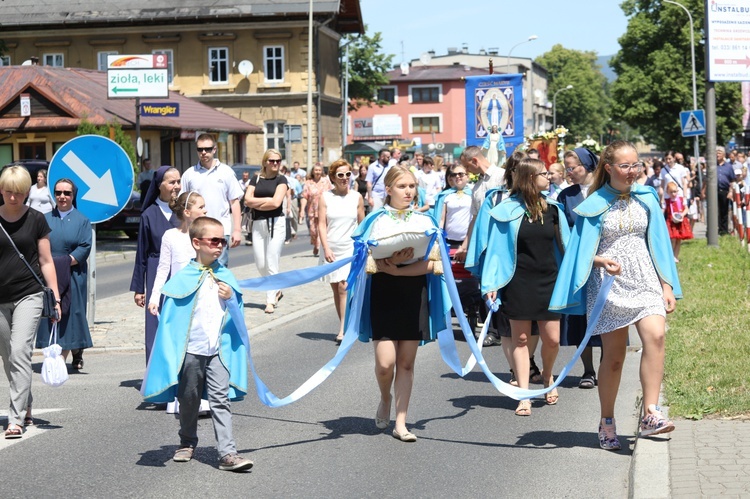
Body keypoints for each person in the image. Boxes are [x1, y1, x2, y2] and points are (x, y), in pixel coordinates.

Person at [550, 140, 682, 450]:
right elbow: (578, 250)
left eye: (636, 165)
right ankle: (607, 419)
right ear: (609, 168)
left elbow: (659, 244)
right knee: (614, 358)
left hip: (646, 278)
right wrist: (599, 260)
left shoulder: (647, 197)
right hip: (608, 284)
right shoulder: (593, 205)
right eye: (626, 166)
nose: (633, 171)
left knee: (656, 336)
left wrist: (667, 285)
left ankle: (651, 414)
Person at [141, 216, 253, 471]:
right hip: (190, 351)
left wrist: (231, 298)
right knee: (188, 398)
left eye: (222, 241)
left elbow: (238, 315)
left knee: (220, 400)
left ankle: (227, 453)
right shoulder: (183, 279)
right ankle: (187, 441)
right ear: (196, 243)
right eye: (214, 240)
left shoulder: (226, 276)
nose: (219, 246)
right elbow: (169, 324)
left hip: (218, 351)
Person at [352, 165, 449, 442]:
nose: (408, 191)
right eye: (402, 186)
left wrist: (399, 269)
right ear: (389, 189)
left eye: (412, 186)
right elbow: (364, 263)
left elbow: (432, 265)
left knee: (405, 363)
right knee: (386, 364)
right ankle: (385, 397)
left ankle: (401, 422)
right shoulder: (375, 220)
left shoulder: (426, 221)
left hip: (413, 292)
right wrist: (390, 263)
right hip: (383, 292)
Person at [481, 158, 568, 416]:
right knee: (520, 338)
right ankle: (524, 393)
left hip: (550, 280)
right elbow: (495, 251)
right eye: (544, 173)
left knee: (551, 339)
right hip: (517, 281)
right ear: (530, 178)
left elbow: (568, 246)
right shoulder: (506, 210)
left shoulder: (553, 208)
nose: (549, 176)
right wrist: (492, 283)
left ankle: (548, 376)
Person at [0, 165, 61, 438]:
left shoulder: (36, 219)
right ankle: (26, 403)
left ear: (27, 192)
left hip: (29, 293)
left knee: (19, 352)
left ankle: (15, 419)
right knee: (7, 357)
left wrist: (55, 297)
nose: (14, 198)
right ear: (1, 190)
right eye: (9, 192)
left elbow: (46, 261)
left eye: (19, 193)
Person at [148, 191, 207, 414]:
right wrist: (155, 297)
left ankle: (203, 397)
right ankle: (179, 397)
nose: (205, 211)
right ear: (187, 212)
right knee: (179, 350)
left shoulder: (204, 235)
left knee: (200, 348)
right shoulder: (170, 236)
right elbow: (163, 269)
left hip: (201, 298)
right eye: (201, 207)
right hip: (178, 302)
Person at [35, 179, 92, 371]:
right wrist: (49, 266)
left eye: (67, 193)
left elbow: (84, 248)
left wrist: (64, 263)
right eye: (58, 192)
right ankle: (53, 353)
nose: (62, 197)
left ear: (73, 195)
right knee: (52, 313)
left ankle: (65, 356)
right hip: (48, 274)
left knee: (71, 315)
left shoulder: (82, 220)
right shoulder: (43, 218)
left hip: (73, 275)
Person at [558, 147, 601, 389]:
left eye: (572, 168)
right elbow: (563, 231)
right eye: (566, 168)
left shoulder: (606, 192)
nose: (568, 173)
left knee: (608, 316)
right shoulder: (566, 196)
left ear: (586, 166)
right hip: (579, 265)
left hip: (606, 265)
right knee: (580, 318)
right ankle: (588, 370)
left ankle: (607, 369)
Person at [130, 166, 181, 362]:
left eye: (178, 181)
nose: (176, 186)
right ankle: (155, 372)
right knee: (155, 320)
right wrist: (139, 288)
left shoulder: (184, 211)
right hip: (155, 269)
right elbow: (141, 253)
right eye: (171, 182)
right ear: (159, 186)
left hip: (180, 270)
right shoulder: (149, 214)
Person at [318, 159, 365, 344]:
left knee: (344, 287)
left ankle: (343, 330)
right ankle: (343, 324)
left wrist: (364, 247)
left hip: (349, 247)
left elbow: (362, 223)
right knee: (336, 289)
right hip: (332, 247)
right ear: (332, 178)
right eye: (340, 175)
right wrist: (326, 247)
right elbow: (321, 224)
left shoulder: (356, 197)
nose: (345, 178)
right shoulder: (325, 197)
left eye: (348, 174)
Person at [179, 134, 244, 266]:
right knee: (197, 269)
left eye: (207, 149)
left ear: (214, 149)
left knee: (219, 270)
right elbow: (182, 204)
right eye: (200, 149)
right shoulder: (189, 174)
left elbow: (235, 203)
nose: (203, 152)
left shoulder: (226, 172)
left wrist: (237, 230)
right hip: (196, 231)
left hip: (220, 230)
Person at [245, 149, 289, 314]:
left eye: (278, 160)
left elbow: (276, 203)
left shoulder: (281, 179)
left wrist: (257, 202)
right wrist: (266, 200)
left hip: (276, 223)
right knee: (260, 263)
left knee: (271, 260)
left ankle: (270, 300)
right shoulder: (256, 178)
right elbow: (247, 200)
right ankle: (277, 289)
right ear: (265, 162)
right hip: (258, 223)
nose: (275, 163)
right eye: (272, 161)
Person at [454, 145, 506, 263]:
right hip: (484, 242)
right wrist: (464, 246)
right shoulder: (476, 187)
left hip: (502, 239)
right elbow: (475, 218)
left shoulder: (503, 176)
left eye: (467, 166)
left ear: (475, 161)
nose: (467, 171)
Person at [299, 163, 331, 258]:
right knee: (313, 231)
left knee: (322, 229)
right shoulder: (308, 183)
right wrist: (301, 210)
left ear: (322, 171)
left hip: (324, 209)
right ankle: (315, 244)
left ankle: (319, 246)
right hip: (312, 210)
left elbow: (332, 194)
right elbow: (304, 197)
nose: (317, 172)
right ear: (313, 171)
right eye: (316, 170)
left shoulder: (326, 182)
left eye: (319, 170)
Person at [664, 181, 693, 262]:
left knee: (678, 239)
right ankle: (671, 255)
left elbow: (686, 209)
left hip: (680, 221)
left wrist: (682, 215)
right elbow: (663, 210)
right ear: (667, 192)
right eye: (671, 192)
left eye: (675, 191)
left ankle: (676, 256)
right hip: (671, 222)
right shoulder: (667, 201)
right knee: (672, 239)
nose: (673, 194)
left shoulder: (681, 199)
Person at [716, 146, 735, 235]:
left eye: (719, 152)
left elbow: (732, 180)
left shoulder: (728, 167)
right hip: (714, 191)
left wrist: (731, 192)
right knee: (714, 211)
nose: (717, 154)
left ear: (723, 154)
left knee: (724, 211)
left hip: (724, 191)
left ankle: (723, 231)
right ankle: (714, 230)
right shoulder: (712, 165)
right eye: (716, 152)